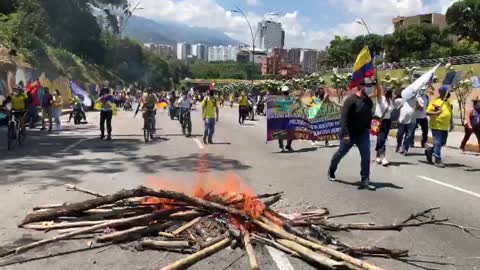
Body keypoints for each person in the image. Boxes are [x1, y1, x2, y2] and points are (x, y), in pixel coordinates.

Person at [328, 78, 376, 191]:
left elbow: (369, 115)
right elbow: (343, 118)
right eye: (368, 86)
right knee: (341, 153)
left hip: (362, 133)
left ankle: (365, 179)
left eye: (371, 86)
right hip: (349, 133)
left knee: (366, 156)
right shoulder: (351, 100)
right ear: (360, 86)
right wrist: (345, 134)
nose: (370, 88)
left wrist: (369, 128)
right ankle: (332, 169)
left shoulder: (368, 101)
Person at [425, 86, 453, 168]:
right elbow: (427, 112)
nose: (449, 94)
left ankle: (430, 151)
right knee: (437, 142)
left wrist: (451, 123)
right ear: (442, 93)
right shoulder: (435, 102)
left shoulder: (448, 102)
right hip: (436, 125)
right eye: (447, 92)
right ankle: (438, 159)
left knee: (442, 142)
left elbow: (450, 113)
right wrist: (436, 112)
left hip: (445, 126)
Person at [374, 86, 395, 166]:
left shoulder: (390, 101)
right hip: (378, 120)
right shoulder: (380, 98)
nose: (387, 93)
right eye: (386, 91)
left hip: (387, 121)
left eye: (388, 92)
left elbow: (391, 111)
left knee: (382, 138)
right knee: (381, 138)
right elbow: (378, 91)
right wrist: (376, 82)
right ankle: (383, 157)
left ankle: (378, 155)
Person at [395, 89, 417, 156]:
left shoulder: (415, 100)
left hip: (412, 121)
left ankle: (405, 148)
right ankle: (399, 144)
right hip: (402, 121)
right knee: (400, 134)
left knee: (409, 135)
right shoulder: (400, 100)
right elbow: (394, 103)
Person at [278, 86, 294, 152]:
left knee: (291, 132)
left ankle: (288, 145)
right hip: (281, 118)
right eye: (284, 92)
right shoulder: (279, 99)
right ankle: (282, 146)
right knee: (281, 132)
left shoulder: (291, 99)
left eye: (286, 92)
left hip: (289, 118)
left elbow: (293, 107)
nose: (285, 93)